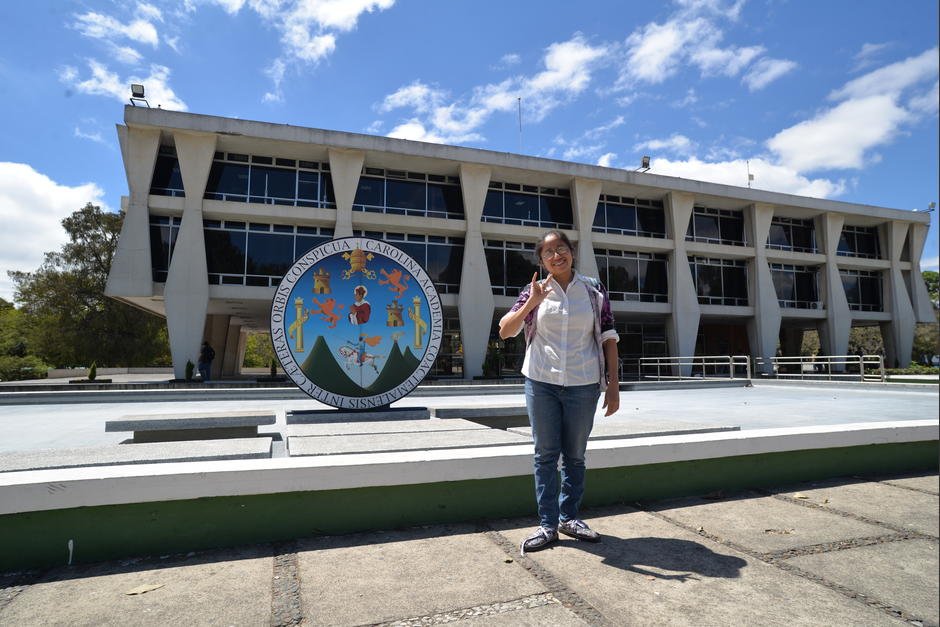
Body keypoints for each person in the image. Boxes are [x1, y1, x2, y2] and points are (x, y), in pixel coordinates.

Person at [499, 230, 620, 554]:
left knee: (575, 455)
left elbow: (609, 337)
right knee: (545, 455)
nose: (557, 256)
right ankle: (547, 525)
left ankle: (569, 519)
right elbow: (506, 331)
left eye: (561, 249)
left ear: (571, 252)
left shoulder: (593, 289)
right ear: (542, 260)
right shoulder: (534, 291)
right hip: (541, 382)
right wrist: (533, 302)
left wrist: (613, 387)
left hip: (583, 382)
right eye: (549, 252)